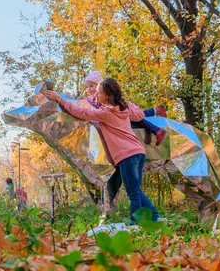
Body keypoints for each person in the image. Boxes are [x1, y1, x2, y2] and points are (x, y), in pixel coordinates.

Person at [44, 78, 159, 224]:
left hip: (128, 155)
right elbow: (140, 115)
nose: (97, 96)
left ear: (108, 95)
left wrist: (59, 98)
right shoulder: (123, 108)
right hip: (138, 152)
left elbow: (80, 112)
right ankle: (155, 218)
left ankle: (134, 225)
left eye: (99, 93)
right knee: (135, 189)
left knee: (133, 194)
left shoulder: (106, 113)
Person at [84, 71, 167, 146]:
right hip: (117, 118)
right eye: (87, 87)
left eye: (91, 86)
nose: (88, 89)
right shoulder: (92, 99)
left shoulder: (106, 97)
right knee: (134, 118)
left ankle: (156, 128)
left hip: (122, 113)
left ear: (100, 86)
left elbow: (121, 109)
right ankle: (156, 113)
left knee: (135, 117)